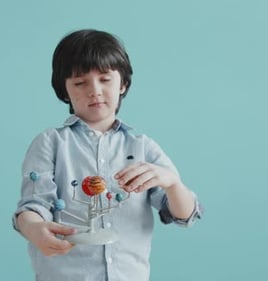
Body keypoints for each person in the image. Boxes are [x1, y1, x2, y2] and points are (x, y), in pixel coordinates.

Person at [13, 29, 202, 281]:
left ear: (122, 83)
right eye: (80, 82)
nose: (95, 90)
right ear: (64, 90)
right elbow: (34, 206)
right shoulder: (50, 143)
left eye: (105, 79)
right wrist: (34, 228)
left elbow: (184, 215)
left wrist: (172, 182)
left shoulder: (143, 147)